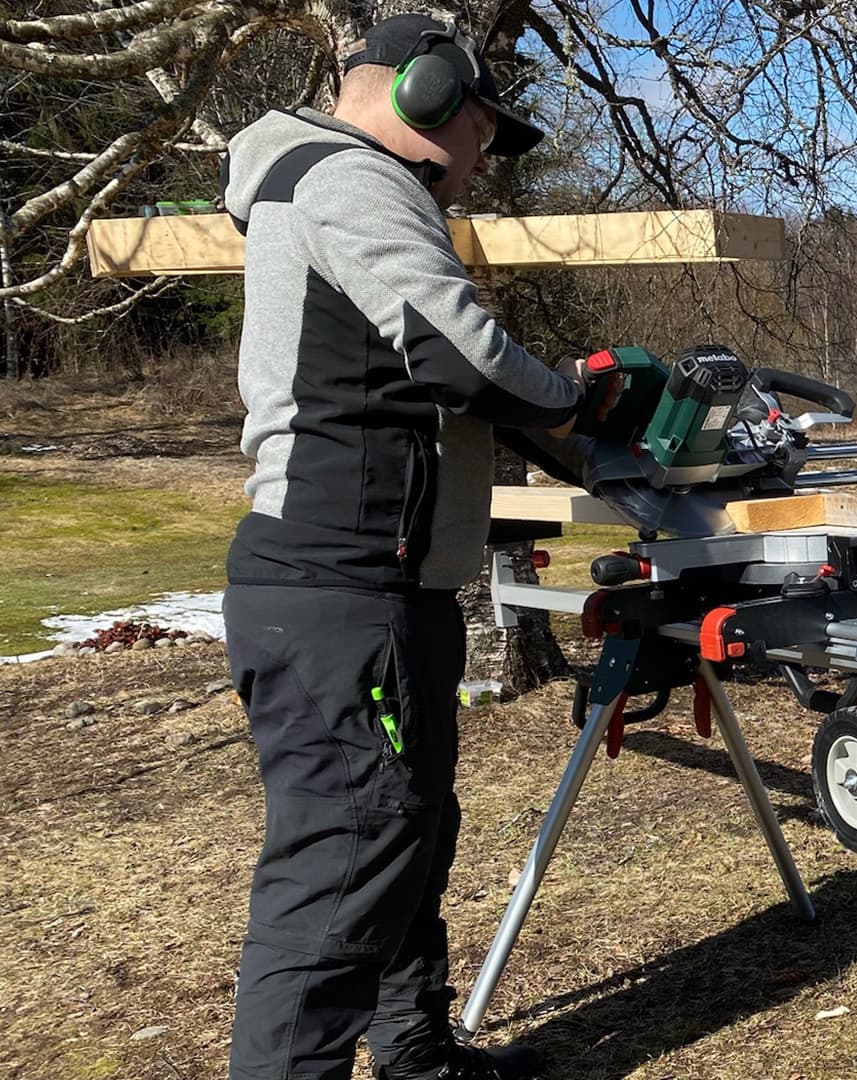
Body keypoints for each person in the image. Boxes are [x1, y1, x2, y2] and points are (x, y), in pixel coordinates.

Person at [220, 14, 580, 1080]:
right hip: (341, 586)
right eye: (481, 128)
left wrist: (597, 453)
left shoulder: (328, 182)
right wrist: (584, 408)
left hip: (380, 588)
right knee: (344, 866)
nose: (478, 161)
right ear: (429, 93)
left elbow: (448, 387)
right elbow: (464, 359)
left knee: (402, 837)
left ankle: (419, 1057)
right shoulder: (348, 179)